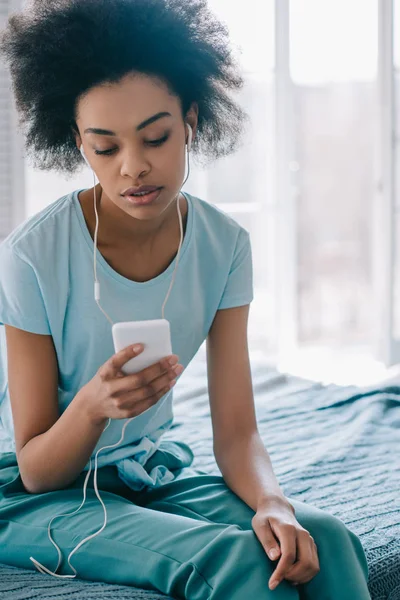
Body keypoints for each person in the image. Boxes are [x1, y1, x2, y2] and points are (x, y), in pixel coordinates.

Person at [0, 1, 371, 598]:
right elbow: (39, 471)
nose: (134, 168)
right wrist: (93, 405)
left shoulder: (224, 246)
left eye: (156, 137)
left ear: (191, 120)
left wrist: (274, 504)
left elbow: (236, 432)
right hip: (27, 494)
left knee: (324, 540)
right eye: (104, 148)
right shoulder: (30, 258)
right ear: (76, 143)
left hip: (146, 471)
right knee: (239, 563)